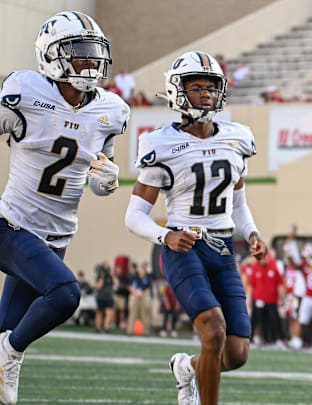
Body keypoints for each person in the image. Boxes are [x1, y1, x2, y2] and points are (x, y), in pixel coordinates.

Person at [124, 51, 266, 405]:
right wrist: (166, 236)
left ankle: (186, 368)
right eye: (197, 87)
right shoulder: (161, 143)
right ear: (178, 93)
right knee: (213, 331)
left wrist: (251, 233)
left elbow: (238, 204)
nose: (205, 94)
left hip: (223, 250)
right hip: (183, 250)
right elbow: (134, 216)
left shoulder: (237, 138)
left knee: (236, 354)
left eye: (211, 88)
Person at [0, 11, 127, 404]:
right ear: (52, 56)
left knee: (4, 331)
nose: (90, 61)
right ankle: (10, 353)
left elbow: (98, 173)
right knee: (66, 294)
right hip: (13, 226)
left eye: (94, 53)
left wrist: (105, 182)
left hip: (57, 238)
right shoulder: (26, 92)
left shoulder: (111, 110)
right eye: (80, 52)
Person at [126, 262, 153, 335]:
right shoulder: (134, 277)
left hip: (144, 296)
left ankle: (145, 331)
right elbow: (130, 286)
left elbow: (149, 289)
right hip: (135, 295)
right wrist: (136, 294)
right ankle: (129, 331)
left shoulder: (148, 278)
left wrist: (142, 294)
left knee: (144, 314)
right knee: (132, 313)